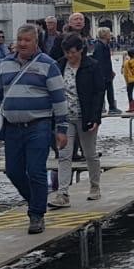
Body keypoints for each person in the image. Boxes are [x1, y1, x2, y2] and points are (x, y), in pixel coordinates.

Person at [0, 24, 72, 234]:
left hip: (38, 125)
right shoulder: (5, 65)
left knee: (35, 170)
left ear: (36, 42)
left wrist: (61, 128)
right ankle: (36, 201)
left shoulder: (48, 65)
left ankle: (36, 215)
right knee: (13, 171)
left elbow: (59, 99)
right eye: (19, 39)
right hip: (12, 127)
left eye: (27, 40)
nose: (21, 43)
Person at [54, 34, 104, 204]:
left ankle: (95, 186)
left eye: (73, 52)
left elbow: (99, 92)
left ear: (81, 50)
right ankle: (63, 193)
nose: (70, 56)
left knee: (90, 153)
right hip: (65, 117)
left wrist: (96, 117)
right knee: (64, 155)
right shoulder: (60, 65)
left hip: (86, 116)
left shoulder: (92, 66)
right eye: (67, 52)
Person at [93, 27, 120, 114]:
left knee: (110, 90)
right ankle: (102, 108)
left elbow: (107, 61)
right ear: (104, 35)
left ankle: (111, 107)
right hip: (103, 73)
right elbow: (100, 61)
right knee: (101, 91)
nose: (111, 35)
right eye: (109, 33)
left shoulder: (105, 45)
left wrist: (111, 71)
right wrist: (102, 74)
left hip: (107, 73)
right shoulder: (99, 46)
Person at [121, 47, 134, 113]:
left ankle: (131, 107)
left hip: (130, 81)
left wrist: (126, 81)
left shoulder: (126, 63)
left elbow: (125, 74)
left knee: (129, 94)